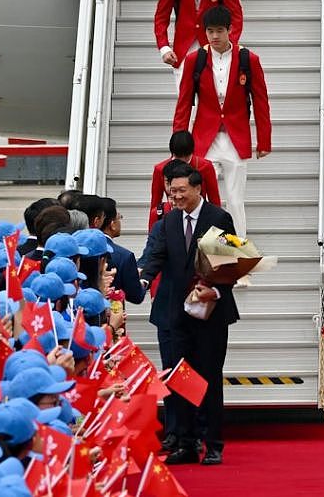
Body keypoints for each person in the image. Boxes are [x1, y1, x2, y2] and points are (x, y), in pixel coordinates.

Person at [140, 164, 239, 465]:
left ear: (198, 188)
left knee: (208, 377)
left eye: (182, 191)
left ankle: (213, 443)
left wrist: (217, 291)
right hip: (178, 315)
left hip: (210, 313)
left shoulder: (218, 218)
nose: (176, 196)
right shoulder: (169, 221)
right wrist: (142, 281)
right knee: (180, 378)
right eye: (172, 191)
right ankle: (185, 442)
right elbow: (156, 257)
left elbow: (231, 264)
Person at [173, 6, 272, 236]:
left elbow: (261, 101)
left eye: (219, 30)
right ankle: (205, 248)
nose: (215, 36)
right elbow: (184, 103)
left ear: (230, 30)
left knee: (236, 201)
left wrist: (264, 141)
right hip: (204, 140)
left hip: (236, 139)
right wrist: (179, 143)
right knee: (203, 198)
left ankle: (239, 253)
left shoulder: (249, 59)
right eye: (210, 31)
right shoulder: (194, 60)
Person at [149, 131, 221, 229]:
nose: (182, 161)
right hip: (173, 216)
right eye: (178, 157)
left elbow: (215, 201)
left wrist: (217, 229)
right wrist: (152, 233)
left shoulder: (205, 166)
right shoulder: (161, 169)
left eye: (186, 157)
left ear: (192, 151)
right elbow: (155, 204)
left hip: (199, 217)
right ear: (172, 153)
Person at [100, 197, 146, 304]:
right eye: (119, 217)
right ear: (112, 225)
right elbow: (135, 296)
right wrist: (142, 283)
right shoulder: (124, 256)